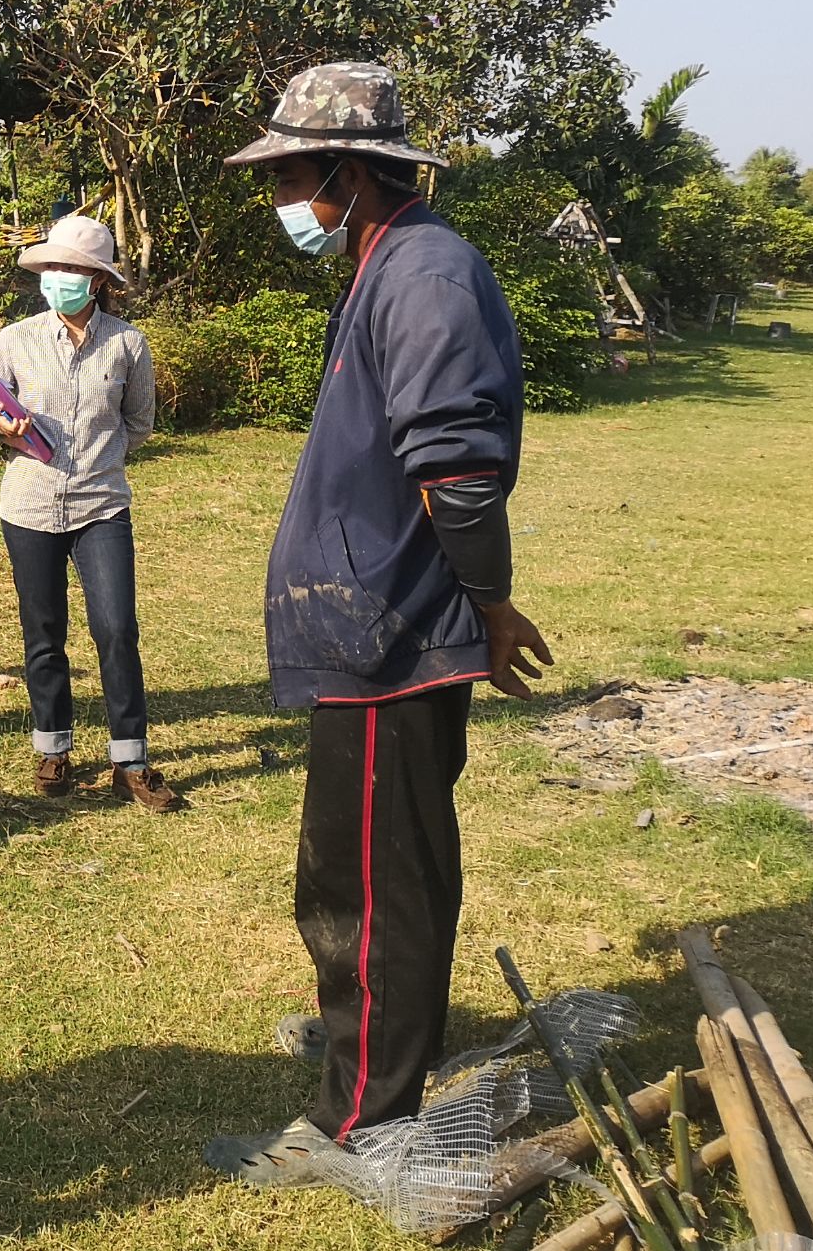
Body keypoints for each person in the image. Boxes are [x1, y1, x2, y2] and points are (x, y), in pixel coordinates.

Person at [202, 61, 553, 1188]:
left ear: (351, 175)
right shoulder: (383, 262)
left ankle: (361, 1115)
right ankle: (371, 1036)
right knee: (347, 869)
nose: (284, 199)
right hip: (364, 624)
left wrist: (489, 606)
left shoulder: (427, 273)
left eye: (295, 174)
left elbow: (456, 467)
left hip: (393, 633)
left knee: (376, 885)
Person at [0, 213, 177, 809]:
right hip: (28, 504)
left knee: (116, 629)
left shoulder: (127, 344)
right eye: (55, 266)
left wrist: (98, 461)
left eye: (76, 269)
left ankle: (130, 759)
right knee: (44, 632)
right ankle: (52, 749)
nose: (62, 277)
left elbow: (140, 423)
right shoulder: (15, 340)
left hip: (102, 505)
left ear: (99, 280)